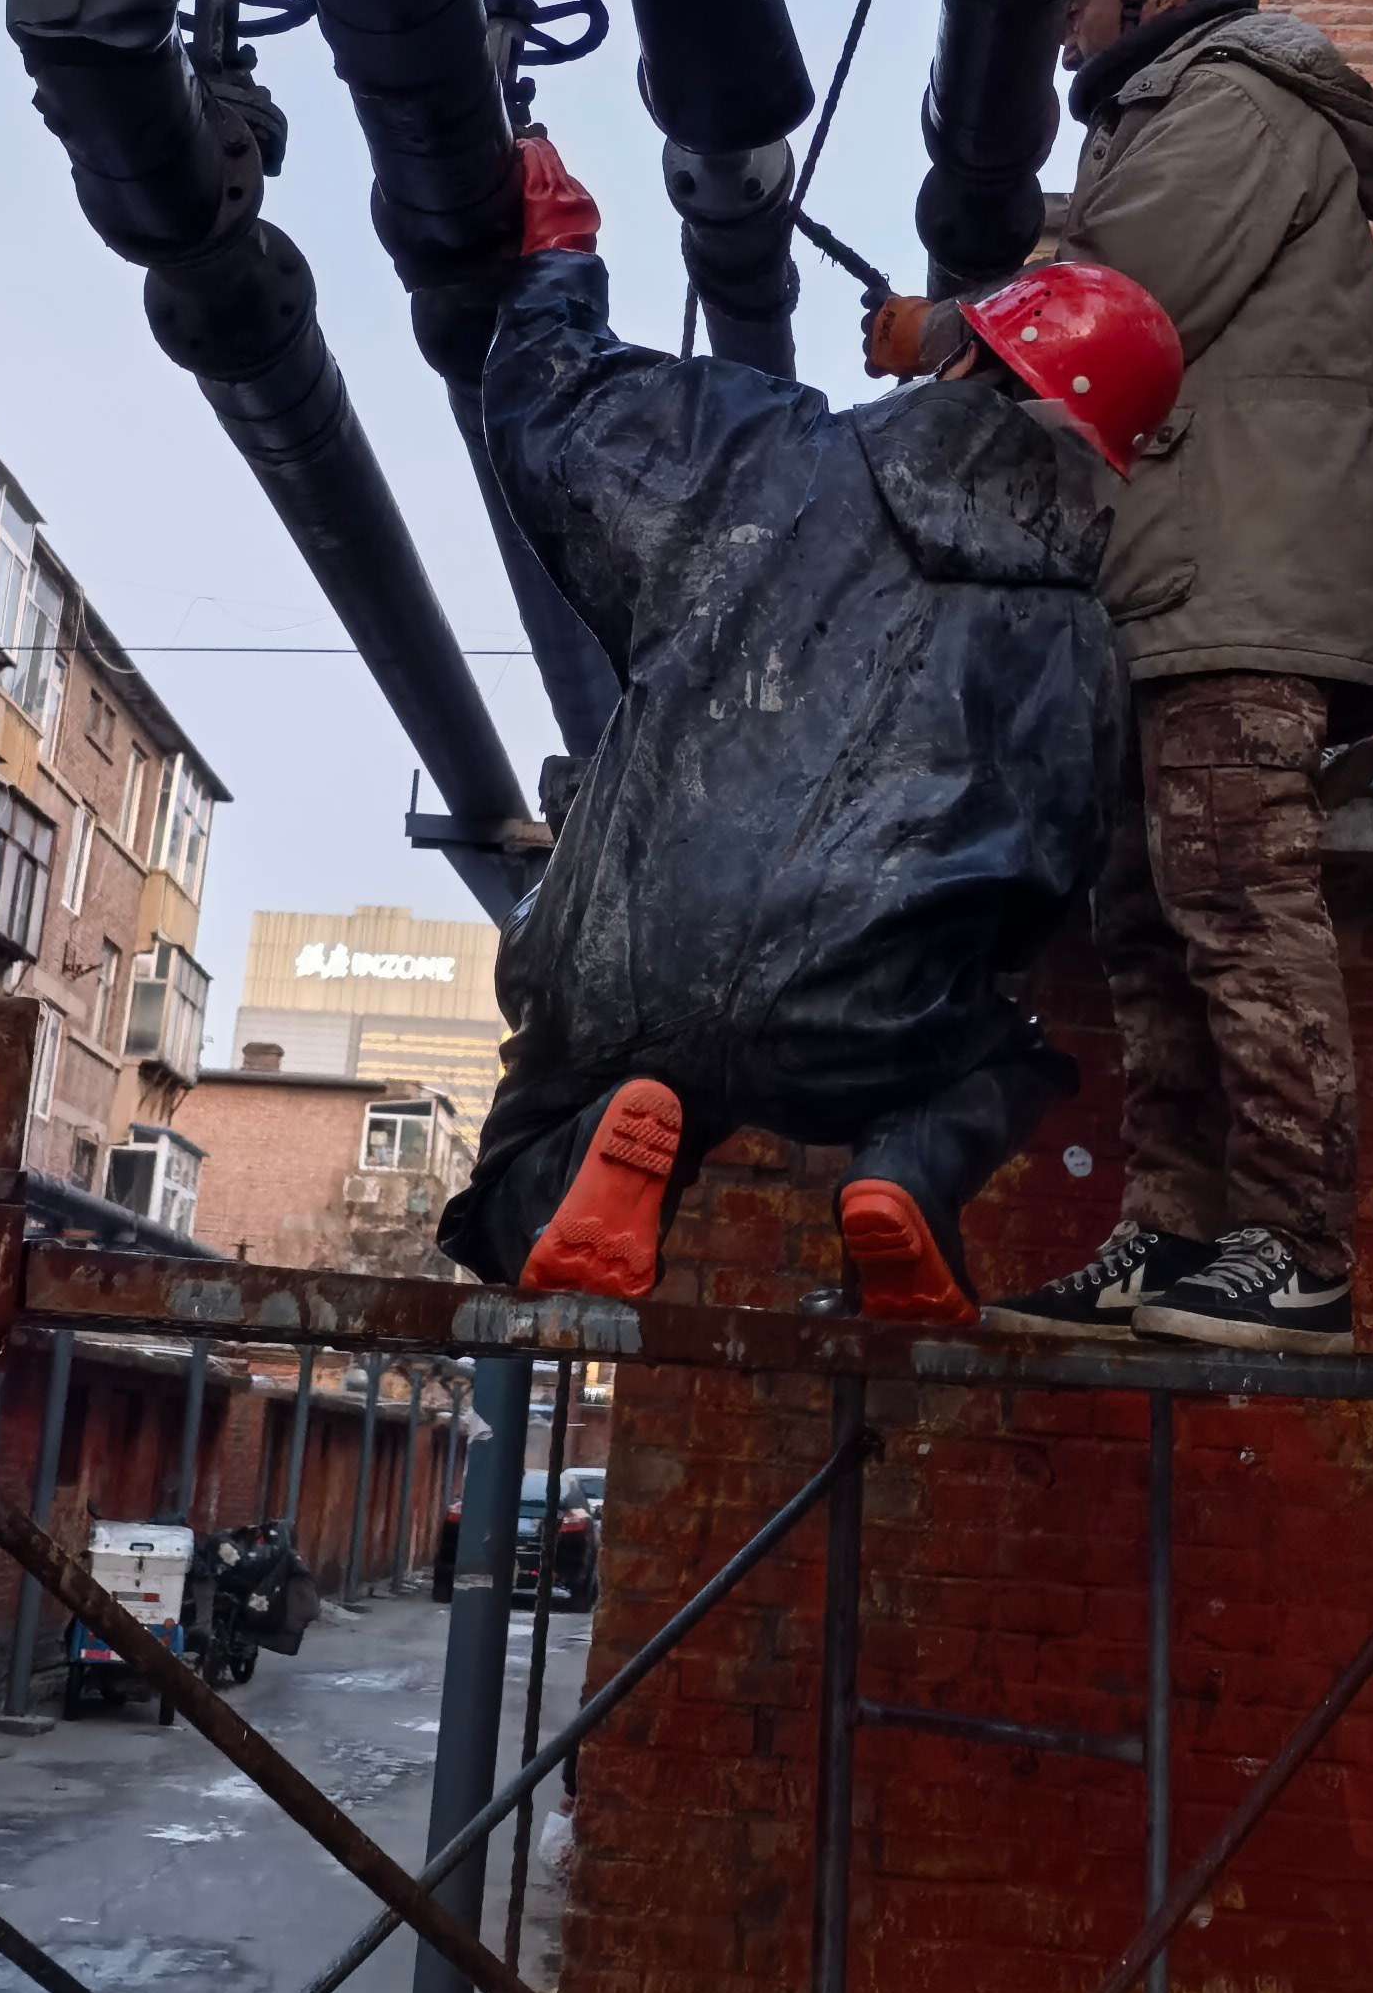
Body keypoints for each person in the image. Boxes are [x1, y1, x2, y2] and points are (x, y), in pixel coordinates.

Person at [436, 138, 1183, 1325]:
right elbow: (1045, 879)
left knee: (557, 1106)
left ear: (966, 361)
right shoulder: (1078, 640)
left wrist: (560, 263)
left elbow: (556, 417)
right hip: (869, 1018)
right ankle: (904, 1176)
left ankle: (572, 1173)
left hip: (625, 957)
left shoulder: (765, 449)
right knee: (1006, 1059)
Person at [870, 0, 1373, 1354]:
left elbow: (1123, 295)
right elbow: (1091, 252)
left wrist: (945, 332)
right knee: (1147, 927)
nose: (1062, 30)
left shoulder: (1237, 98)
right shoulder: (1157, 127)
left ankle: (1297, 1254)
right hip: (1167, 588)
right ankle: (1174, 1234)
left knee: (1236, 902)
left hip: (1243, 585)